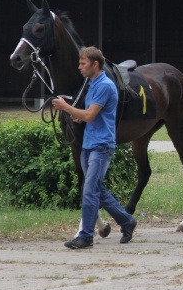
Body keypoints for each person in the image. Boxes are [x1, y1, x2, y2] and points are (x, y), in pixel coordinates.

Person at [52, 46, 137, 249]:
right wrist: (77, 117)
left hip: (101, 145)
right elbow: (91, 114)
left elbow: (90, 115)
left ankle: (86, 236)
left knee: (89, 190)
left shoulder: (104, 85)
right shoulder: (92, 84)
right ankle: (127, 221)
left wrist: (66, 107)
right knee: (96, 190)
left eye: (83, 63)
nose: (79, 67)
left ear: (95, 64)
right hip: (89, 144)